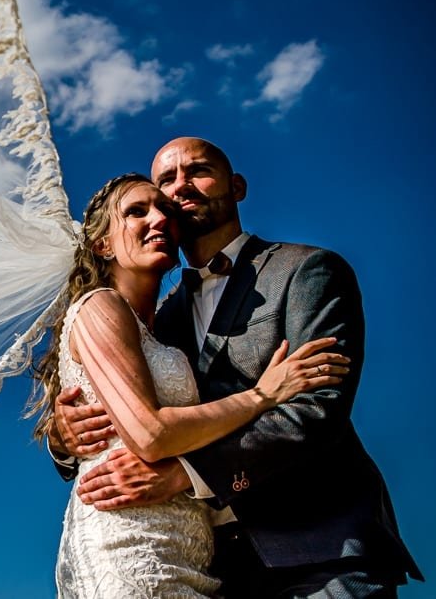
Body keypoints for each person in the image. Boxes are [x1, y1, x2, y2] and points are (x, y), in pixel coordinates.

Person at [50, 137, 423, 597]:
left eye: (198, 171)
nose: (180, 187)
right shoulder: (157, 317)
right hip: (216, 567)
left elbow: (318, 409)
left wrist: (187, 474)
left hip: (319, 547)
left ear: (237, 186)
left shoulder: (306, 271)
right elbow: (131, 401)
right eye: (167, 180)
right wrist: (65, 439)